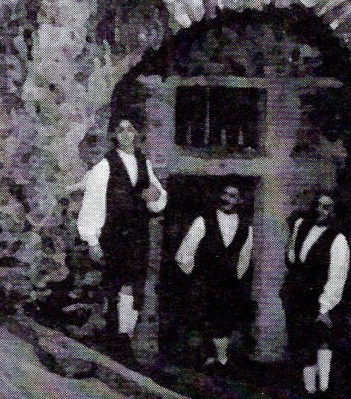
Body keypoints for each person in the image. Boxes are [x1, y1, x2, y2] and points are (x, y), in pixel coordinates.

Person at [77, 116, 167, 357]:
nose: (126, 134)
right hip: (115, 234)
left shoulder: (144, 164)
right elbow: (93, 203)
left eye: (130, 129)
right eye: (120, 130)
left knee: (134, 286)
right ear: (114, 135)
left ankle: (125, 338)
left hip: (138, 235)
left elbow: (158, 200)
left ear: (137, 134)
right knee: (117, 286)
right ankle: (115, 339)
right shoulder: (105, 166)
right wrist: (92, 240)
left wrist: (156, 196)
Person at [175, 182, 254, 368]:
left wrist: (234, 277)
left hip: (227, 283)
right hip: (203, 281)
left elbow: (244, 257)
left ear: (239, 200)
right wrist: (195, 274)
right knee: (202, 319)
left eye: (232, 196)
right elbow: (185, 252)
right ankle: (205, 360)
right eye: (224, 194)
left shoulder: (246, 227)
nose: (227, 199)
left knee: (223, 321)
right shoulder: (204, 220)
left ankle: (221, 361)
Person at [280, 191, 350, 399]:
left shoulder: (337, 239)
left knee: (319, 341)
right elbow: (292, 255)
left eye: (327, 207)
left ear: (334, 211)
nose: (321, 211)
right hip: (297, 295)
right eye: (318, 205)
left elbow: (337, 276)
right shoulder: (302, 226)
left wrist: (325, 308)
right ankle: (309, 390)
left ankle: (324, 388)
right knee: (300, 342)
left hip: (320, 298)